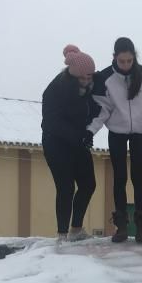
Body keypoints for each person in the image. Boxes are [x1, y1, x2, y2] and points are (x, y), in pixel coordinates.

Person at [88, 37, 142, 243]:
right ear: (114, 58)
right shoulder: (105, 79)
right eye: (122, 61)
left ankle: (141, 226)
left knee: (138, 178)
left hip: (140, 133)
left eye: (129, 61)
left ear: (134, 58)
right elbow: (101, 109)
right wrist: (90, 131)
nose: (126, 65)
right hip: (117, 134)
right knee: (119, 178)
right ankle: (121, 226)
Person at [41, 45, 98, 244]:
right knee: (65, 187)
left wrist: (88, 133)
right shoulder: (56, 89)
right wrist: (77, 136)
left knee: (88, 184)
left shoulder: (91, 84)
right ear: (72, 75)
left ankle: (76, 229)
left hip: (78, 142)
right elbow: (50, 122)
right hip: (56, 143)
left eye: (90, 76)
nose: (87, 80)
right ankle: (62, 235)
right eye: (82, 78)